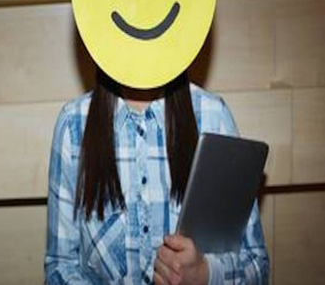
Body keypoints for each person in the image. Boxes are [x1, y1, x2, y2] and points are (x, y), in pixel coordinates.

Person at [44, 70, 269, 285]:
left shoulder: (213, 116)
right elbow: (59, 267)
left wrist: (206, 275)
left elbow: (257, 266)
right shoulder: (73, 124)